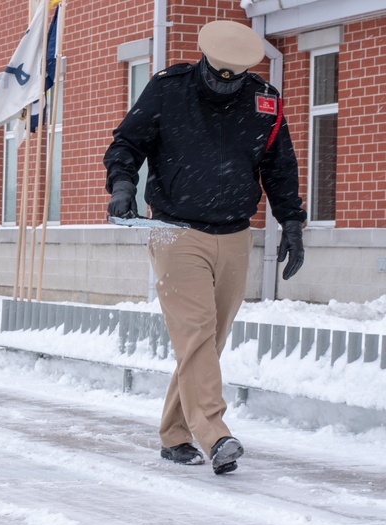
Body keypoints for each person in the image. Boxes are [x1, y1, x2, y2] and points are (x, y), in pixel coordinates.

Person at [104, 20, 306, 475]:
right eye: (217, 77)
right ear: (205, 64)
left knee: (205, 344)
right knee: (196, 333)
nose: (224, 86)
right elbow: (127, 143)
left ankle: (175, 436)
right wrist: (121, 186)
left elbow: (280, 166)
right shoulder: (167, 90)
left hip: (235, 234)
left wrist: (292, 222)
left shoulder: (264, 102)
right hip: (175, 232)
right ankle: (216, 435)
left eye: (233, 80)